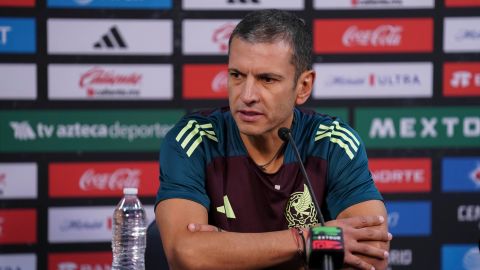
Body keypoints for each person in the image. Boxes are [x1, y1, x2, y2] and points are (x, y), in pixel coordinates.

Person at [155, 9, 391, 270]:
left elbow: (372, 254)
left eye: (267, 79)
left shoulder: (333, 143)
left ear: (303, 87)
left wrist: (227, 250)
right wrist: (309, 240)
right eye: (237, 75)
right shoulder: (194, 139)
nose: (247, 95)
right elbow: (187, 254)